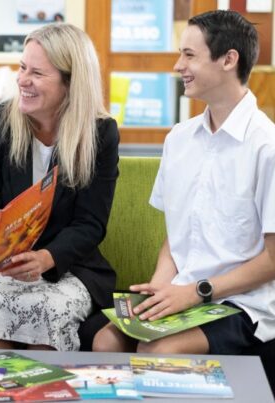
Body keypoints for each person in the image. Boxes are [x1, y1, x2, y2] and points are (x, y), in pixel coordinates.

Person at [93, 10, 275, 355]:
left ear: (228, 60)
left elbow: (273, 260)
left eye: (189, 55)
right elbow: (178, 236)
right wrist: (161, 287)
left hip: (242, 303)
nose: (178, 65)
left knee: (158, 352)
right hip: (183, 293)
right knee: (106, 342)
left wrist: (195, 291)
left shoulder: (266, 146)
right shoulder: (178, 138)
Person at [0, 22, 120, 351]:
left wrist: (46, 258)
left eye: (37, 74)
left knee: (47, 313)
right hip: (0, 267)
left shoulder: (100, 133)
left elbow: (90, 223)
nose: (22, 80)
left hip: (67, 268)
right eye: (22, 68)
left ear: (70, 83)